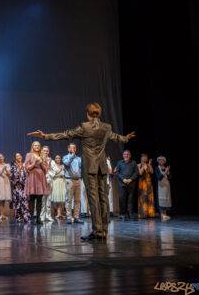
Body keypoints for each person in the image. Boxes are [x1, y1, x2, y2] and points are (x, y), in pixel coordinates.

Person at [28, 102, 135, 240]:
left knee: (94, 198)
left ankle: (97, 232)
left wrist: (45, 136)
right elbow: (116, 137)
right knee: (103, 198)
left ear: (88, 114)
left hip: (90, 166)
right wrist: (126, 138)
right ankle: (103, 231)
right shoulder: (106, 127)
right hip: (102, 166)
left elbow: (66, 134)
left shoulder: (85, 127)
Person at [24, 141, 49, 225]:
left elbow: (46, 169)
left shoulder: (43, 156)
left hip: (40, 177)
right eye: (35, 145)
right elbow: (27, 168)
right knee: (32, 198)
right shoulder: (29, 155)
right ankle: (31, 218)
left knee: (39, 199)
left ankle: (38, 218)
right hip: (32, 177)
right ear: (32, 146)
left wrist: (41, 162)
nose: (37, 146)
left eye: (38, 145)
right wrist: (35, 162)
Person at [62, 143, 83, 224]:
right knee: (69, 199)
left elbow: (81, 167)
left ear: (76, 149)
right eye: (71, 148)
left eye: (74, 148)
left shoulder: (78, 158)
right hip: (69, 180)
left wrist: (79, 175)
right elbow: (67, 164)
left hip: (78, 180)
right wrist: (72, 156)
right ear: (68, 149)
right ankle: (69, 216)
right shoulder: (65, 157)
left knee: (77, 200)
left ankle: (77, 216)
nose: (72, 149)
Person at [116, 150, 139, 220]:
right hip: (122, 183)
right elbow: (117, 172)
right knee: (122, 198)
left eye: (128, 154)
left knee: (130, 199)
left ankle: (130, 214)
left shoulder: (134, 163)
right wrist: (123, 179)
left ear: (130, 156)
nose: (126, 155)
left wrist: (130, 179)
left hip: (131, 183)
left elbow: (136, 173)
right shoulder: (119, 162)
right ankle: (122, 213)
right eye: (125, 154)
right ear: (123, 156)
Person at [10, 153, 30, 222]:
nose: (19, 157)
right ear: (15, 158)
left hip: (24, 186)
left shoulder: (24, 165)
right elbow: (12, 176)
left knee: (25, 201)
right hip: (17, 187)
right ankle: (19, 217)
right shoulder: (13, 166)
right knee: (18, 201)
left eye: (20, 156)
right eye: (17, 156)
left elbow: (27, 174)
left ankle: (25, 216)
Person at [137, 154, 155, 218]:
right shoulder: (138, 165)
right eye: (143, 157)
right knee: (143, 198)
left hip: (148, 183)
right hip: (142, 183)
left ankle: (150, 213)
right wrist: (143, 167)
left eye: (146, 157)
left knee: (149, 198)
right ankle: (143, 214)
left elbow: (152, 172)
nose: (144, 158)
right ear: (141, 158)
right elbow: (140, 173)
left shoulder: (148, 165)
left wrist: (149, 164)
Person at [49, 155, 66, 220]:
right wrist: (60, 170)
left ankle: (61, 213)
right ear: (55, 159)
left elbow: (64, 175)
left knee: (62, 198)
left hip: (62, 182)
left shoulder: (63, 166)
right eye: (56, 158)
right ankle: (58, 213)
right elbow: (53, 174)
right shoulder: (53, 166)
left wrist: (64, 183)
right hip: (56, 181)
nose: (58, 159)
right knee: (57, 198)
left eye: (59, 158)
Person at [40, 146, 55, 222]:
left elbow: (55, 171)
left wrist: (49, 170)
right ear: (42, 151)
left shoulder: (51, 161)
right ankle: (42, 215)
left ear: (48, 152)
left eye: (47, 151)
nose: (45, 152)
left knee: (49, 198)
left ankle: (48, 215)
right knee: (42, 199)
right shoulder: (40, 160)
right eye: (44, 151)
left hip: (49, 181)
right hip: (41, 182)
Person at [155, 156, 172, 221]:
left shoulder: (166, 168)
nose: (161, 161)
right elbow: (159, 177)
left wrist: (168, 172)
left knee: (166, 199)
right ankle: (162, 214)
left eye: (162, 160)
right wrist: (165, 172)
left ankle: (165, 214)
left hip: (166, 186)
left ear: (164, 161)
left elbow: (170, 178)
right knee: (160, 200)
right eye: (159, 160)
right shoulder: (157, 168)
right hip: (160, 187)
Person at [0, 154, 12, 221]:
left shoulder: (7, 165)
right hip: (0, 181)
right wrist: (2, 170)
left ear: (4, 157)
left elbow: (9, 174)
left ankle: (3, 214)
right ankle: (1, 214)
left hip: (5, 181)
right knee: (0, 198)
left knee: (4, 198)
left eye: (1, 157)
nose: (1, 158)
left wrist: (5, 169)